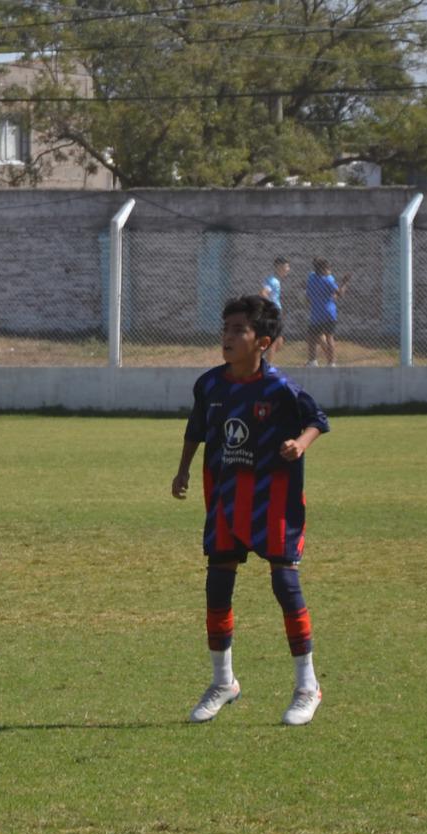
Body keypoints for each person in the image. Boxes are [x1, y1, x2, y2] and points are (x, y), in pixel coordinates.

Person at [171, 295, 329, 726]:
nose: (227, 337)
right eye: (225, 329)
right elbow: (195, 428)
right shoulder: (209, 385)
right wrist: (183, 469)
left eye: (238, 330)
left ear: (262, 341)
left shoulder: (280, 388)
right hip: (225, 497)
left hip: (272, 497)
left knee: (284, 582)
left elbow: (317, 419)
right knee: (217, 587)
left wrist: (301, 443)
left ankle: (307, 686)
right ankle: (224, 682)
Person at [305, 257, 349, 367]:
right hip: (329, 312)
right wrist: (344, 283)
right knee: (329, 337)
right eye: (328, 268)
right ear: (323, 269)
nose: (330, 270)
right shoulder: (328, 279)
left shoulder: (311, 277)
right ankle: (331, 363)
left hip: (316, 313)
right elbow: (339, 294)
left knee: (312, 337)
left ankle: (312, 361)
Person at [260, 257, 289, 360]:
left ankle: (261, 358)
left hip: (277, 312)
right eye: (286, 266)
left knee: (280, 342)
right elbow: (263, 293)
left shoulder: (275, 280)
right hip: (274, 313)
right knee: (274, 341)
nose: (288, 269)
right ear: (279, 267)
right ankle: (267, 366)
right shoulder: (273, 281)